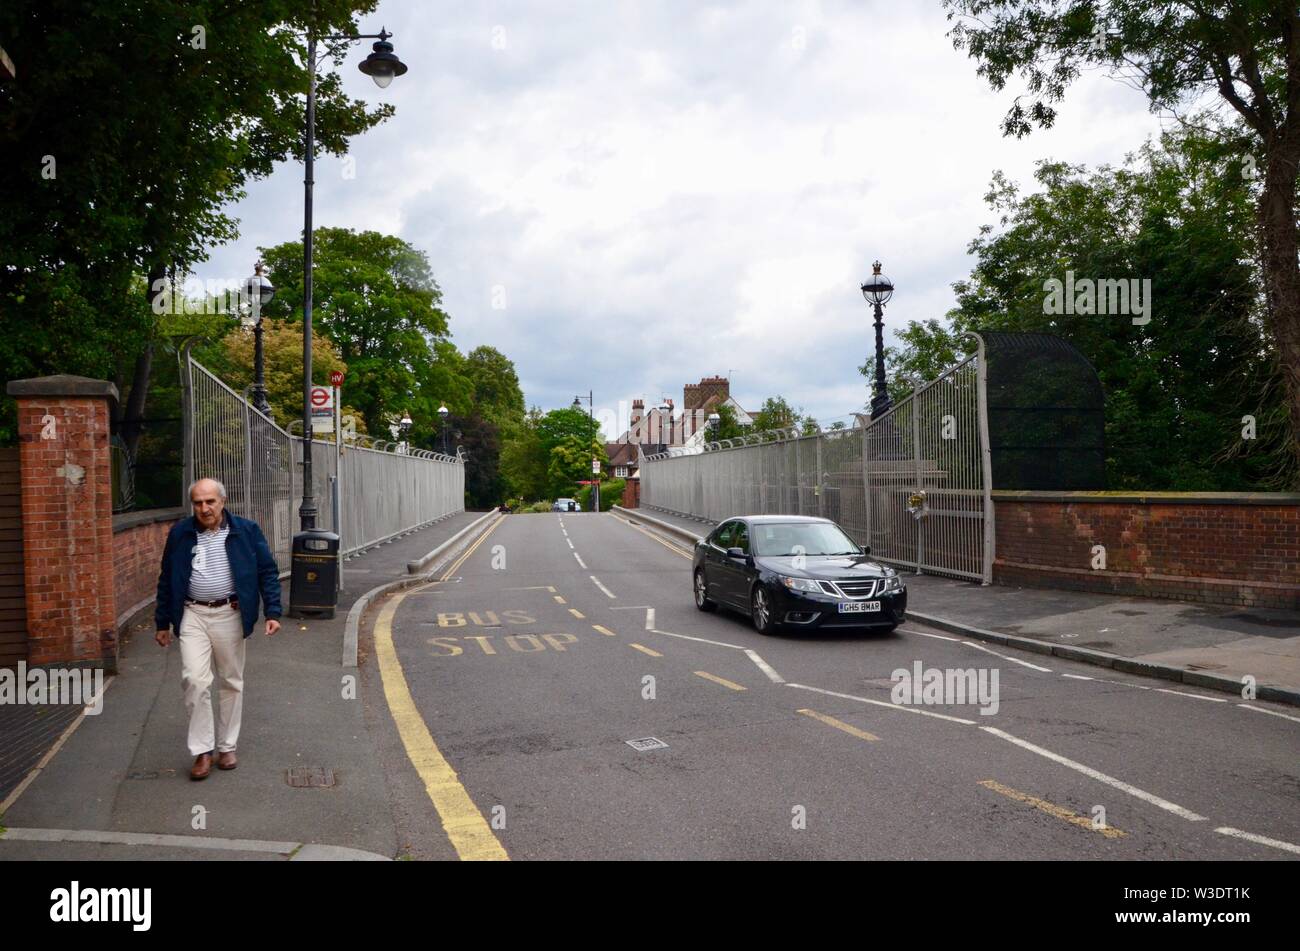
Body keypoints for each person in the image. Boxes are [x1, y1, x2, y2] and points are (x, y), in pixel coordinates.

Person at [154, 478, 282, 780]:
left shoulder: (246, 531)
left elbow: (267, 571)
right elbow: (166, 577)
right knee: (195, 681)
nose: (204, 508)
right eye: (198, 502)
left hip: (230, 613)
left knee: (231, 681)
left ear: (222, 501)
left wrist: (273, 611)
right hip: (192, 614)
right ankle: (202, 751)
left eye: (210, 501)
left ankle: (226, 746)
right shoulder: (181, 533)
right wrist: (162, 622)